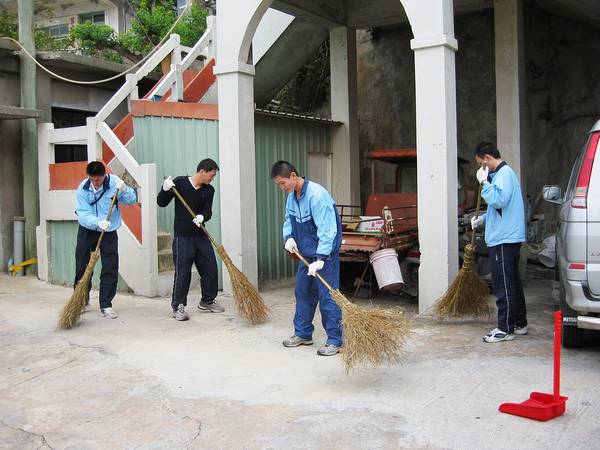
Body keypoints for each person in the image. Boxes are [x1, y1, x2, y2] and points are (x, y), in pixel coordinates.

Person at [271, 160, 343, 356]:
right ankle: (303, 333)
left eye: (282, 183)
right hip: (305, 254)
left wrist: (321, 258)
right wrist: (289, 238)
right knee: (302, 292)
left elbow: (328, 230)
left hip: (324, 256)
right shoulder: (292, 198)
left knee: (328, 296)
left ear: (293, 176)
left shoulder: (317, 196)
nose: (281, 187)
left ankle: (335, 340)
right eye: (279, 184)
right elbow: (288, 220)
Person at [471, 142, 527, 343]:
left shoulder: (503, 174)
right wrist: (483, 220)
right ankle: (519, 322)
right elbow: (501, 208)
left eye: (481, 164)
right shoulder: (505, 174)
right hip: (507, 236)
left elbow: (499, 200)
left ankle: (505, 328)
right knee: (511, 281)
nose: (481, 168)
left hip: (504, 238)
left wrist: (485, 183)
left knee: (503, 283)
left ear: (487, 157)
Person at [157, 158, 222, 321]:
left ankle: (207, 301)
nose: (212, 179)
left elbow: (208, 212)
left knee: (210, 268)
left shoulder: (209, 190)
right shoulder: (180, 183)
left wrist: (202, 216)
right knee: (183, 272)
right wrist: (165, 190)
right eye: (211, 175)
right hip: (183, 237)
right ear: (202, 171)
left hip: (201, 235)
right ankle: (178, 306)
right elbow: (161, 202)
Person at [74, 161, 137, 319]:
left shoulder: (115, 183)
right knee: (82, 265)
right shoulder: (83, 188)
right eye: (93, 179)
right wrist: (97, 222)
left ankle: (106, 304)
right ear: (88, 177)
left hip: (108, 231)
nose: (96, 183)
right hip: (88, 229)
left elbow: (131, 200)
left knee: (110, 266)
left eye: (99, 180)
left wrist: (125, 189)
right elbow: (82, 212)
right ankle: (81, 300)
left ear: (104, 176)